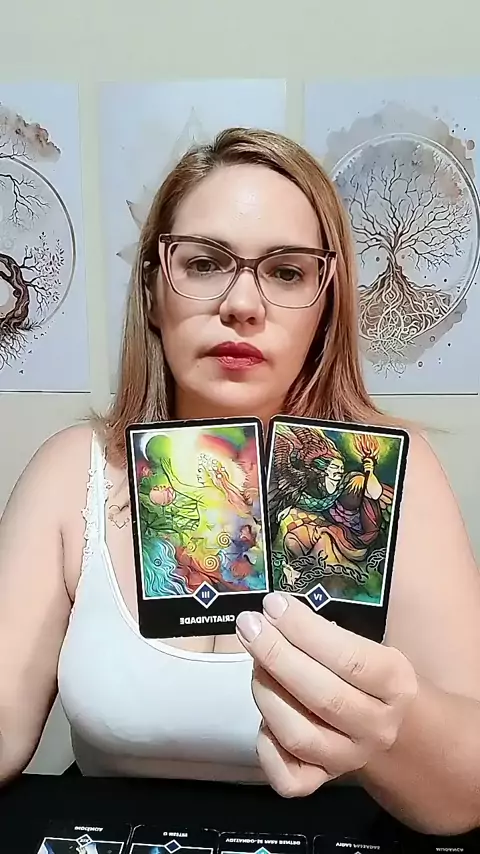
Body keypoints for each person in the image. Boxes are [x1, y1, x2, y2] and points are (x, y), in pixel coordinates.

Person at [1, 127, 480, 835]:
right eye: (204, 263)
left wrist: (389, 730)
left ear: (325, 302)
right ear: (153, 291)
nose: (242, 304)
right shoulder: (71, 470)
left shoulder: (387, 476)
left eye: (285, 272)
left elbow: (469, 792)